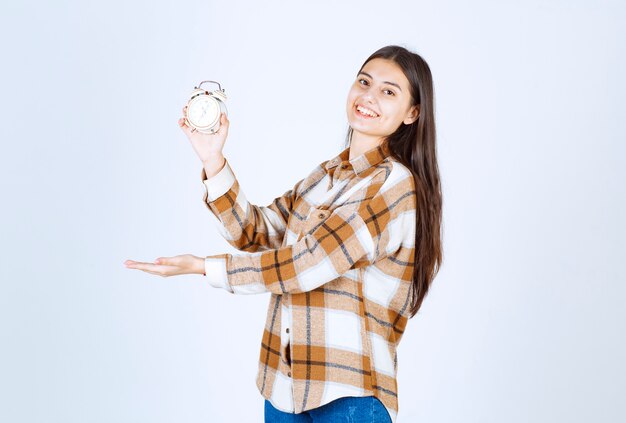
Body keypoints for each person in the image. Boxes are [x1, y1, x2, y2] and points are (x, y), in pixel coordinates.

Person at [124, 44, 443, 422]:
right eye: (364, 82)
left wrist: (204, 267)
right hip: (283, 387)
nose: (368, 96)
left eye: (388, 91)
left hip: (349, 395)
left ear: (413, 113)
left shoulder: (394, 186)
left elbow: (307, 265)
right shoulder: (323, 177)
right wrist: (213, 159)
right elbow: (255, 232)